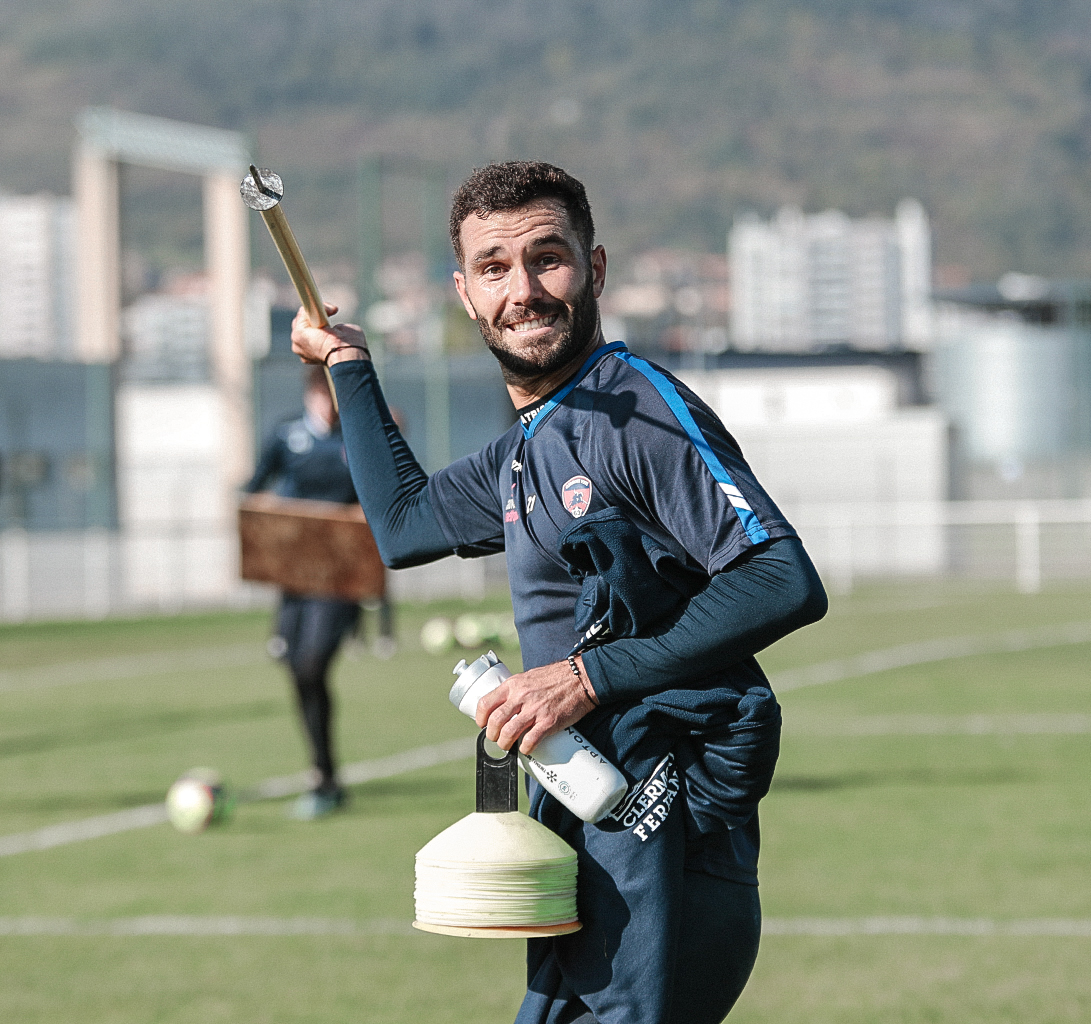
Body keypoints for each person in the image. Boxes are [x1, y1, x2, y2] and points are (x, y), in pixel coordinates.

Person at [291, 161, 828, 1024]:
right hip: (588, 821)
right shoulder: (529, 443)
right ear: (465, 294)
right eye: (496, 269)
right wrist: (349, 365)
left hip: (663, 821)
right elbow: (400, 524)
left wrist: (585, 678)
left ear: (597, 269)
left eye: (549, 258)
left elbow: (783, 580)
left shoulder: (636, 411)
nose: (525, 291)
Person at [243, 362, 365, 820]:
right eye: (320, 392)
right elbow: (253, 491)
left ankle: (324, 775)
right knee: (297, 669)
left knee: (312, 662)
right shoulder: (286, 436)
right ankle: (323, 773)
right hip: (294, 579)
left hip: (338, 579)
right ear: (311, 394)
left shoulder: (356, 440)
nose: (327, 403)